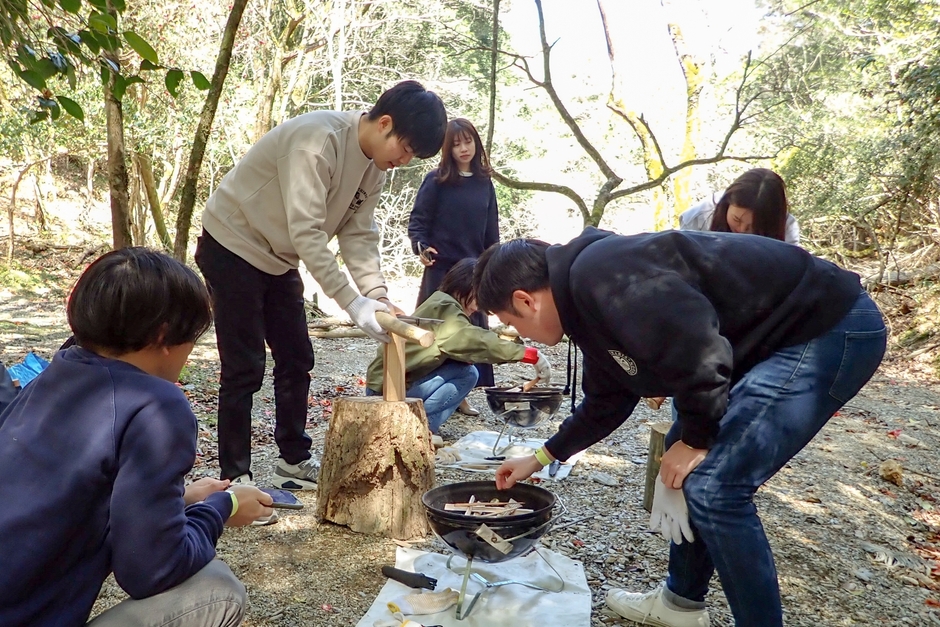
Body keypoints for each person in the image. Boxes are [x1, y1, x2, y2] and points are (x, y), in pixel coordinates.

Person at [473, 228, 886, 627]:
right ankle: (681, 602)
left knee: (714, 487)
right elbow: (607, 401)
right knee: (683, 451)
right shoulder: (581, 304)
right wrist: (543, 456)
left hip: (827, 327)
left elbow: (703, 354)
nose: (520, 334)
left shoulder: (604, 275)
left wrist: (696, 440)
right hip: (781, 338)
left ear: (525, 300)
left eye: (512, 322)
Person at [0, 247, 274, 627]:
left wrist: (180, 500)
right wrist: (222, 507)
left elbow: (73, 500)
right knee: (219, 590)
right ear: (164, 335)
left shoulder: (56, 375)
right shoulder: (156, 405)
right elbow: (153, 569)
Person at [195, 81, 447, 490]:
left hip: (278, 257)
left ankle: (292, 461)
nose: (405, 159)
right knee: (245, 366)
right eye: (406, 149)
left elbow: (358, 234)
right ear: (385, 123)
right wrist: (352, 302)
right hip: (232, 244)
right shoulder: (318, 140)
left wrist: (378, 297)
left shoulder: (375, 168)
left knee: (297, 357)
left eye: (414, 156)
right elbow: (307, 233)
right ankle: (234, 477)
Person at [365, 258, 551, 434]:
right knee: (468, 375)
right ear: (466, 285)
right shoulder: (446, 308)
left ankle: (418, 425)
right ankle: (419, 427)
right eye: (478, 296)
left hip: (386, 382)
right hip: (386, 389)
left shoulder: (440, 302)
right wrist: (528, 355)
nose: (479, 306)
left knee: (463, 367)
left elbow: (456, 346)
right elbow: (475, 340)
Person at [407, 118, 500, 415]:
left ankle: (461, 392)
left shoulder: (486, 183)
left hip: (473, 271)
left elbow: (491, 234)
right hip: (441, 270)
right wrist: (420, 246)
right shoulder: (436, 180)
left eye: (468, 141)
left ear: (476, 143)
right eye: (456, 143)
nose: (463, 148)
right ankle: (426, 391)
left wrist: (494, 268)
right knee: (436, 335)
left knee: (470, 336)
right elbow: (417, 223)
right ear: (447, 148)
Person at [679, 168, 800, 244]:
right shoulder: (698, 217)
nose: (742, 230)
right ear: (727, 203)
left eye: (752, 226)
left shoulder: (786, 228)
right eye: (736, 219)